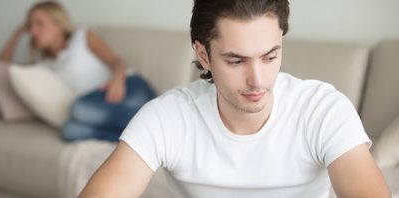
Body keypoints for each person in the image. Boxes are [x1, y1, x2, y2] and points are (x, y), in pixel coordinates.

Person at [80, 0, 391, 197]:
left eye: (270, 57)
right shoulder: (168, 116)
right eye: (236, 61)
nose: (258, 79)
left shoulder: (323, 109)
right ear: (203, 55)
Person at [0, 1, 156, 142]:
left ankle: (146, 126)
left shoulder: (82, 36)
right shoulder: (43, 64)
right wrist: (18, 32)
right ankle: (142, 133)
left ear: (58, 23)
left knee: (77, 109)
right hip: (96, 105)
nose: (33, 31)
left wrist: (117, 80)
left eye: (39, 23)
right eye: (30, 26)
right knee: (69, 130)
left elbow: (117, 61)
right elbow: (1, 66)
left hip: (128, 87)